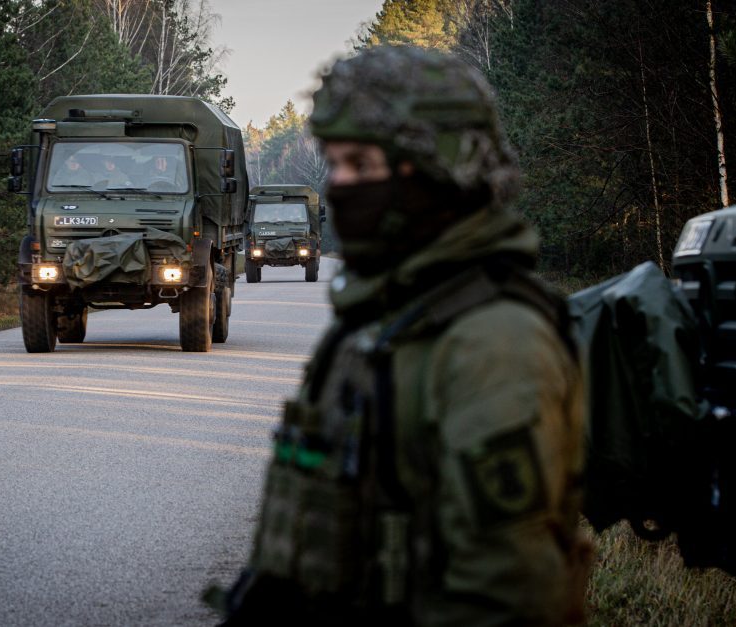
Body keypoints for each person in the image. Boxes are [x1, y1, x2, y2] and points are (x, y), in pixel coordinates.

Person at [212, 46, 591, 626]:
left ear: (439, 170)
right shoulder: (380, 319)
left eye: (361, 165)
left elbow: (507, 595)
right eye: (334, 163)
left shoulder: (493, 341)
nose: (339, 186)